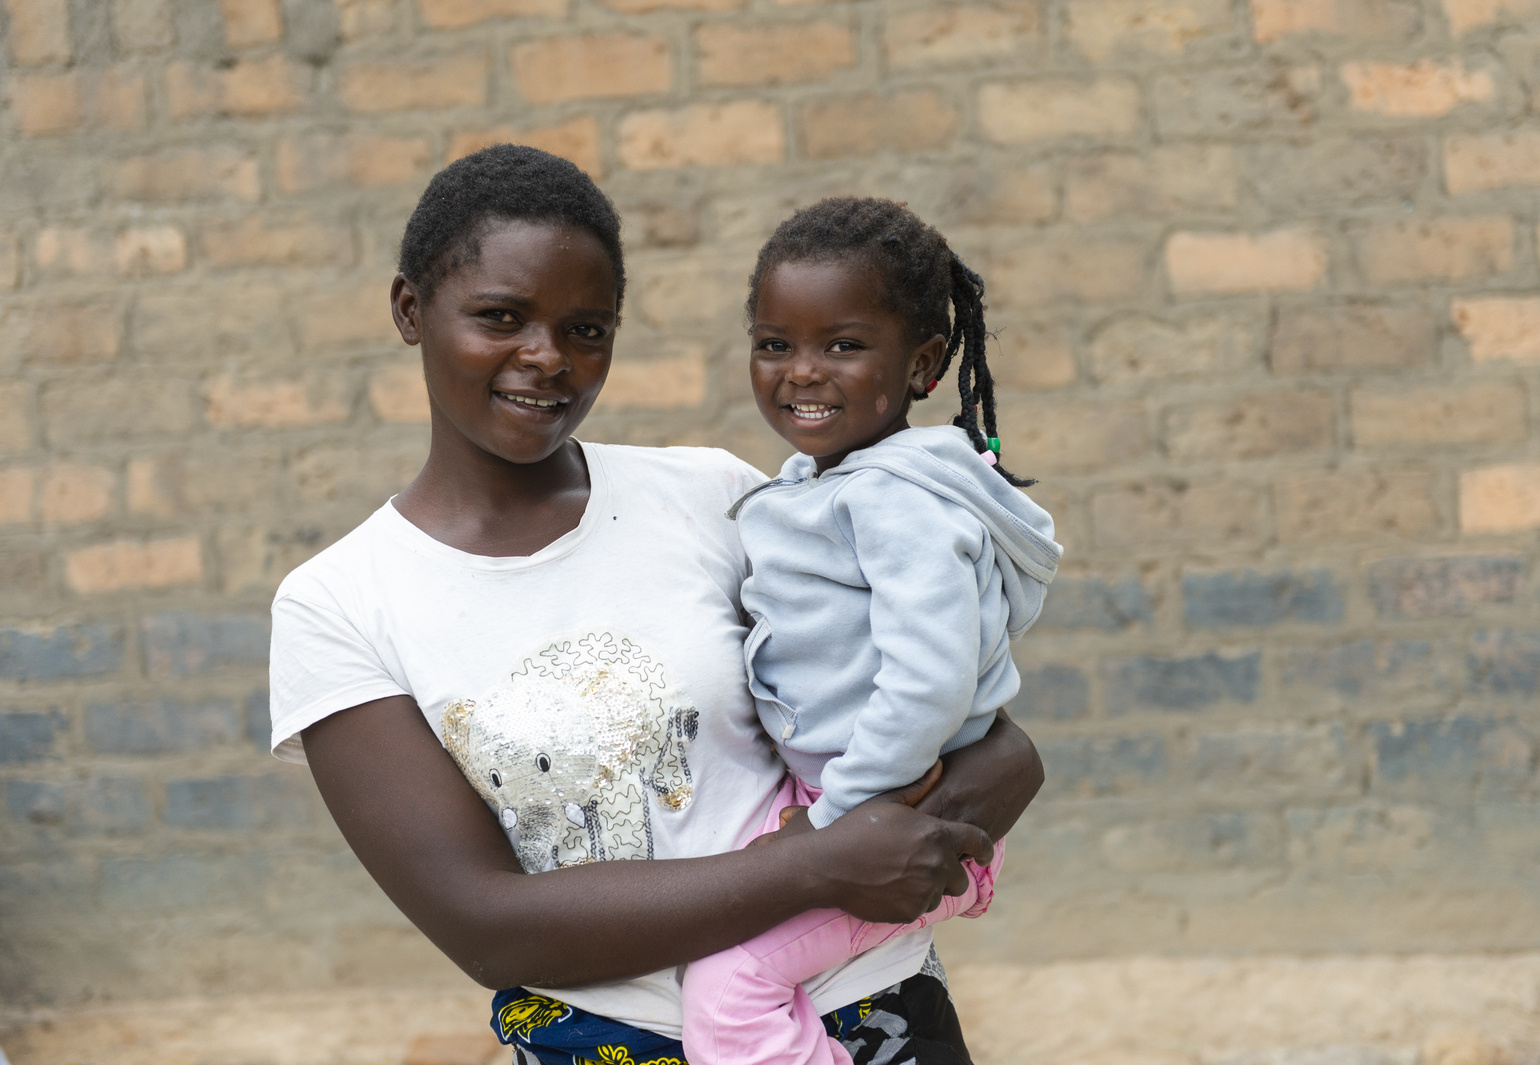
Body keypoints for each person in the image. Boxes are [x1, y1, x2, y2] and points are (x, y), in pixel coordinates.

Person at [267, 145, 1044, 1065]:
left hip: (864, 1012)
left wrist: (941, 802)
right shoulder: (341, 602)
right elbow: (487, 928)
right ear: (411, 310)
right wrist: (817, 861)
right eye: (500, 318)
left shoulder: (713, 497)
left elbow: (993, 745)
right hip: (604, 1041)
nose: (546, 358)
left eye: (586, 328)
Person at [679, 198, 1062, 1065]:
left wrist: (832, 828)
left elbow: (929, 681)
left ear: (924, 364)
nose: (802, 371)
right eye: (774, 344)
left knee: (730, 990)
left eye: (842, 346)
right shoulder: (821, 485)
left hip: (897, 824)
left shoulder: (896, 499)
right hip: (856, 807)